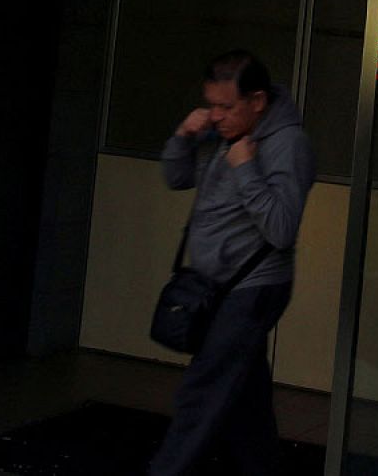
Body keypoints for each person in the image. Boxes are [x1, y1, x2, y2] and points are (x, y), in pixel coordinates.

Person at [148, 51, 315, 476]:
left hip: (253, 287)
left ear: (256, 101)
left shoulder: (287, 144)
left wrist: (246, 169)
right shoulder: (220, 133)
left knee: (201, 393)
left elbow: (280, 229)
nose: (217, 116)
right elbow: (176, 178)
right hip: (212, 287)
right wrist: (183, 137)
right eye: (212, 104)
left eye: (227, 106)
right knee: (246, 401)